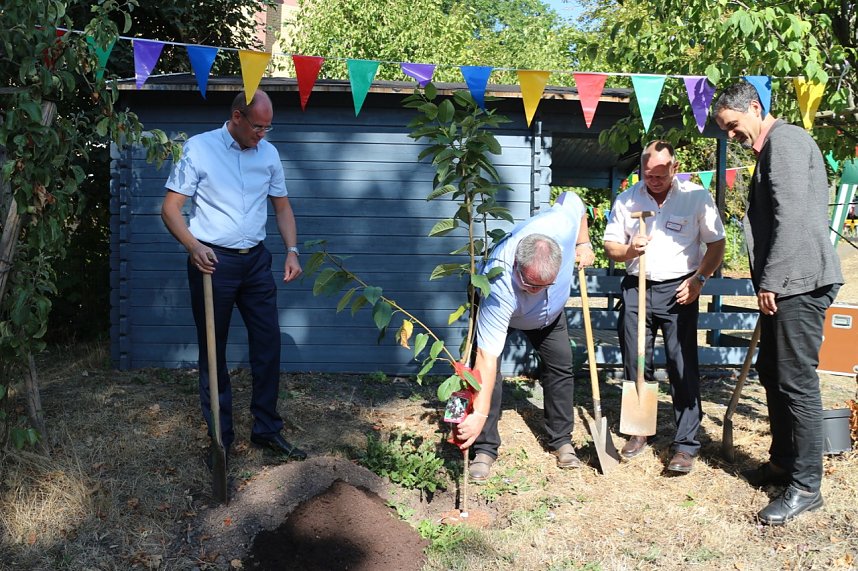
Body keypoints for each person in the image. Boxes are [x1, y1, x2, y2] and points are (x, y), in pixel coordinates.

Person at [713, 81, 843, 525]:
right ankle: (784, 462)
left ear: (754, 107)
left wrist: (771, 281)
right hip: (788, 281)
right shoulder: (775, 147)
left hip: (798, 283)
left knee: (797, 384)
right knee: (773, 372)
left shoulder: (784, 142)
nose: (731, 136)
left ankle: (806, 486)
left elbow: (790, 217)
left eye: (732, 126)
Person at [161, 89, 307, 469]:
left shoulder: (269, 154)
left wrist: (293, 250)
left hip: (256, 261)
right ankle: (220, 440)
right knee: (214, 350)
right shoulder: (199, 149)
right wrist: (193, 246)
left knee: (268, 344)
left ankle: (267, 427)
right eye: (258, 126)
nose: (263, 133)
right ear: (237, 117)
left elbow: (282, 206)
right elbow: (170, 209)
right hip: (211, 261)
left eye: (268, 127)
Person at [452, 191, 595, 481]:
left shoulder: (561, 223)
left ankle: (561, 440)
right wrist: (477, 416)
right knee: (481, 376)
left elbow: (573, 199)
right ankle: (484, 448)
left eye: (543, 285)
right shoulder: (500, 280)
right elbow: (487, 359)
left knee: (561, 365)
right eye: (529, 284)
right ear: (517, 263)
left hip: (548, 318)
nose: (533, 290)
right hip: (506, 312)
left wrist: (584, 243)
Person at [602, 140, 726, 474]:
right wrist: (629, 250)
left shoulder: (696, 196)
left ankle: (685, 444)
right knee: (635, 358)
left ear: (674, 166)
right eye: (648, 173)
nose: (654, 180)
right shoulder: (628, 199)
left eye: (661, 173)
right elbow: (610, 245)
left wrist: (699, 280)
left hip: (680, 288)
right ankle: (639, 431)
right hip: (636, 288)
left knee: (681, 364)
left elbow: (716, 244)